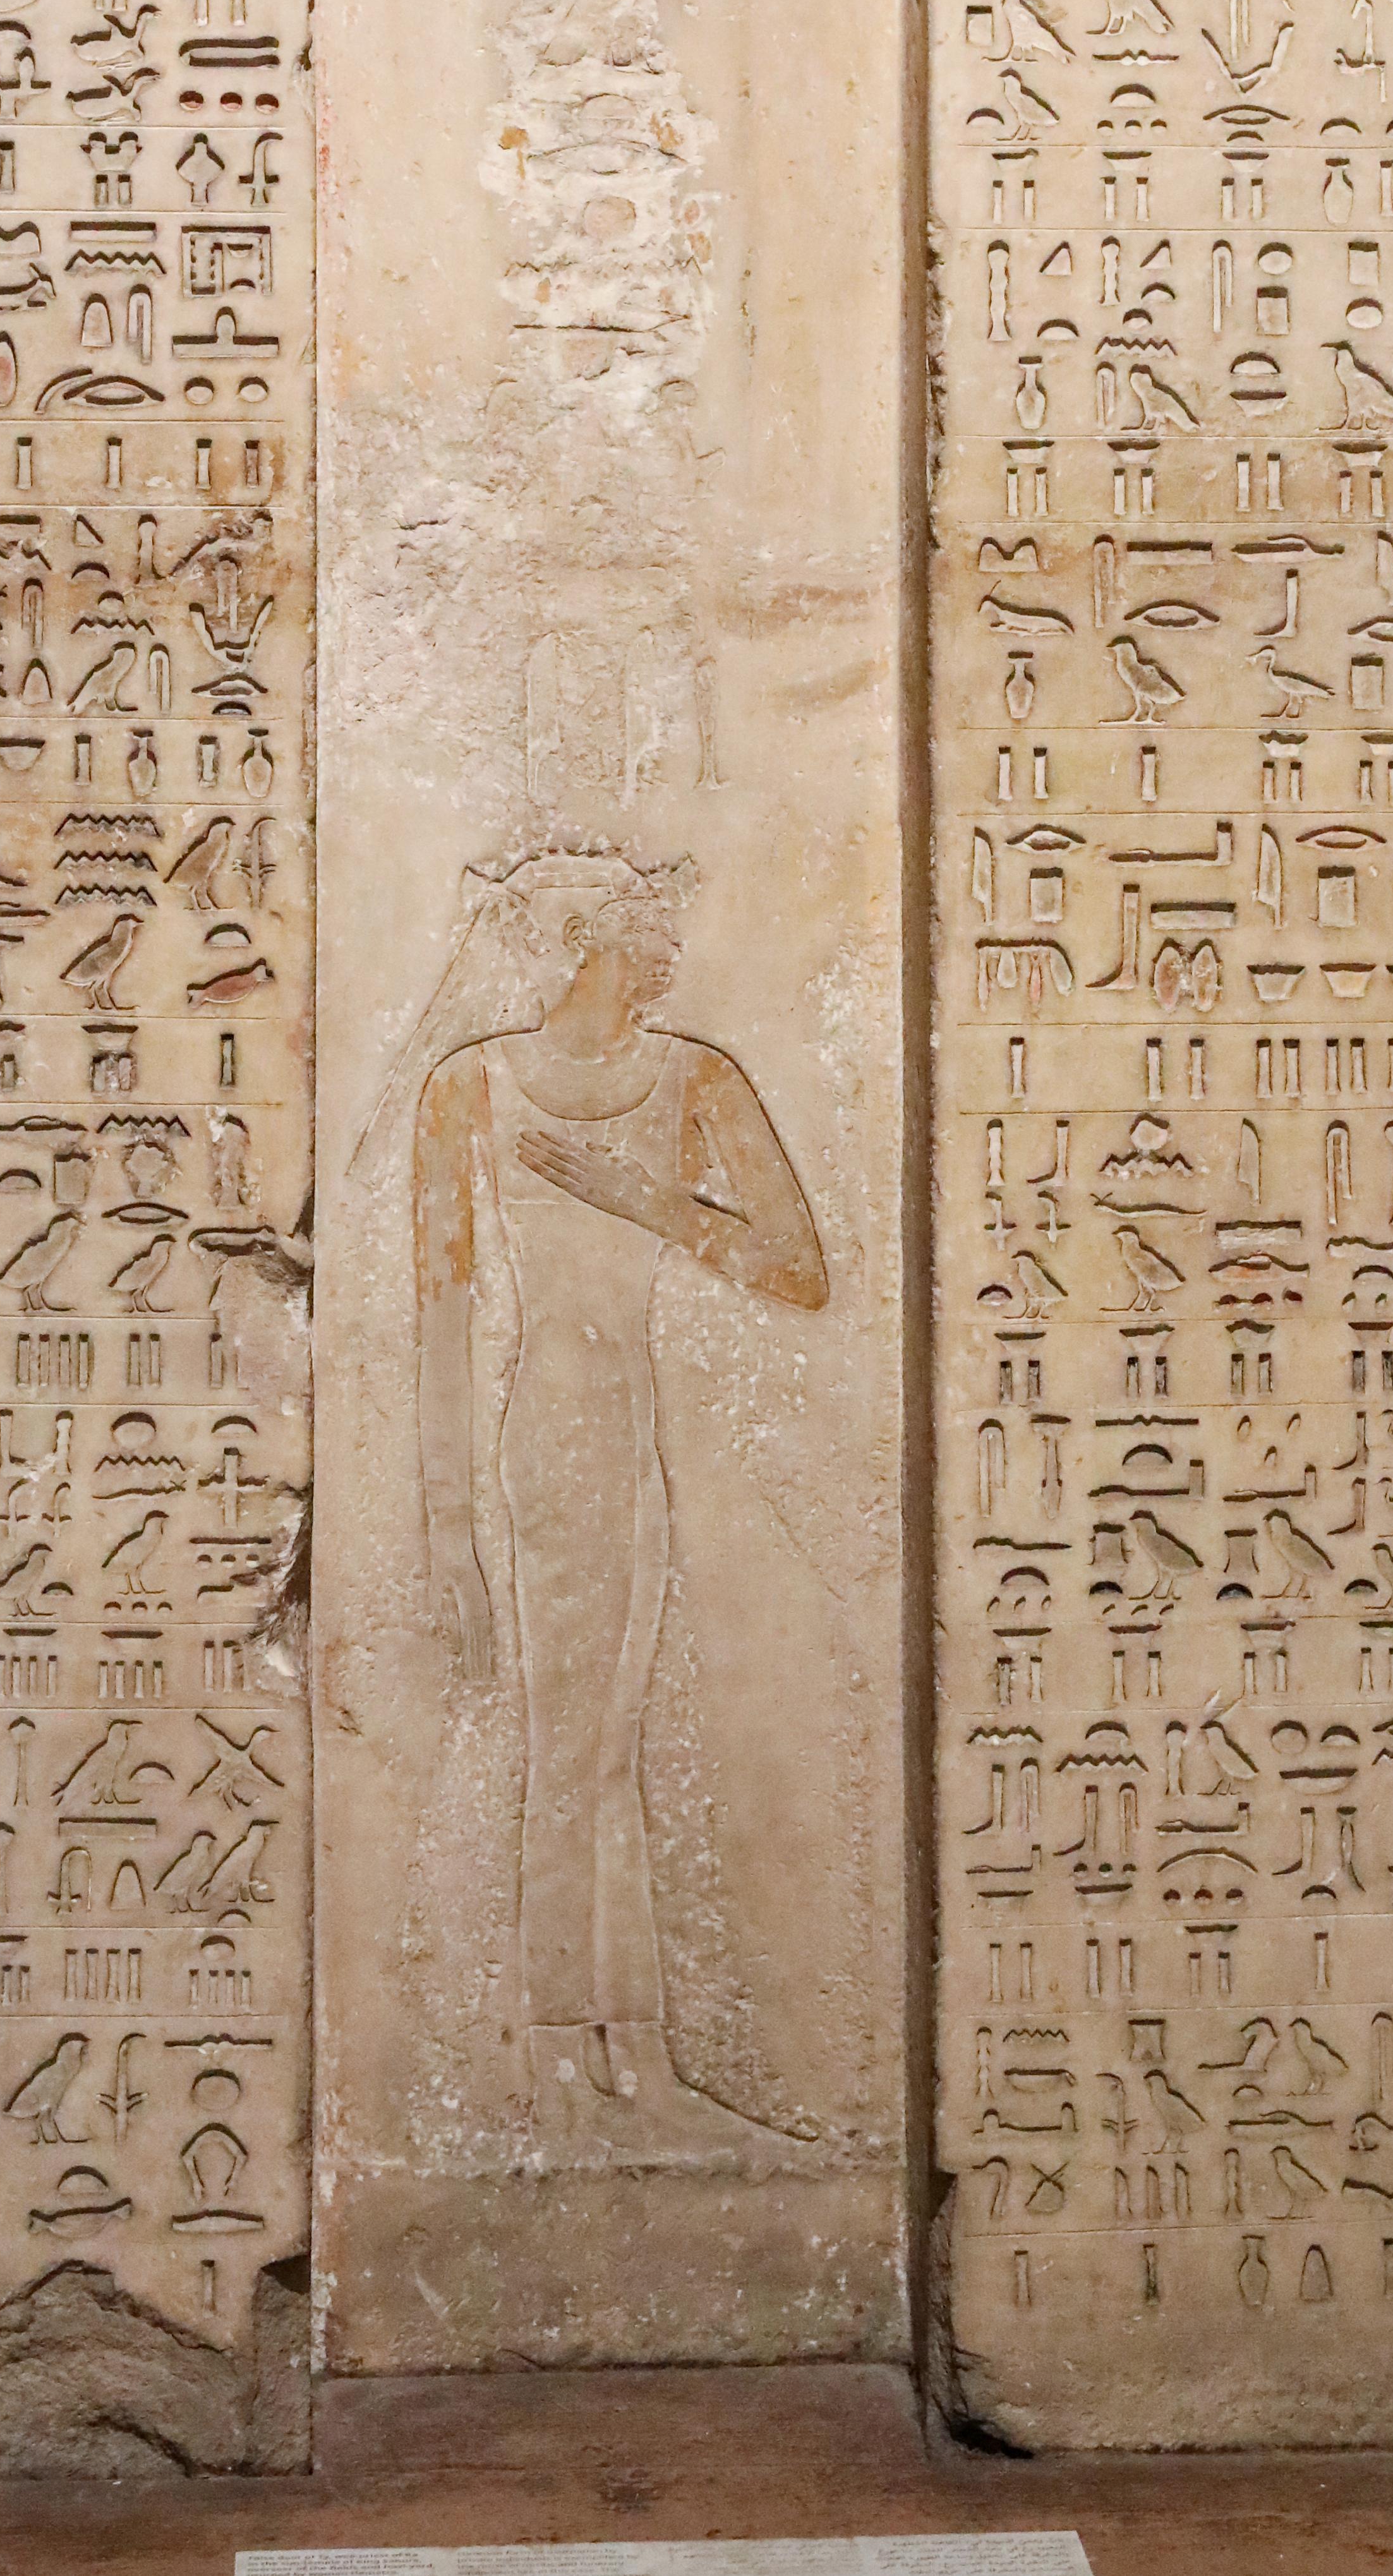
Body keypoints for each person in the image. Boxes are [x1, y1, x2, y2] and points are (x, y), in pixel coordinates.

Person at [402, 846, 825, 2166]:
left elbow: (799, 1270)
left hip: (633, 1425)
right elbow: (442, 1318)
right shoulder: (470, 1086)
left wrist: (645, 1200)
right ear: (580, 940)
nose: (667, 955)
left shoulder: (695, 1078)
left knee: (613, 1741)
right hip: (546, 1433)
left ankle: (630, 2059)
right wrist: (447, 1530)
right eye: (644, 930)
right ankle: (556, 2060)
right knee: (564, 1742)